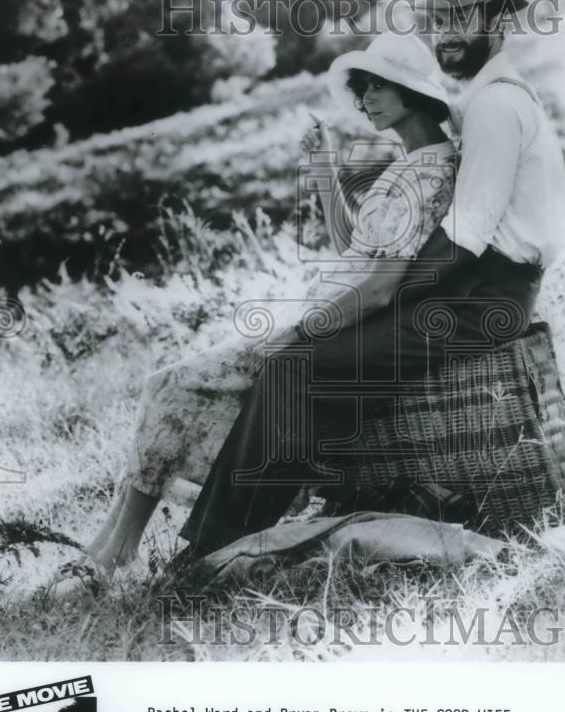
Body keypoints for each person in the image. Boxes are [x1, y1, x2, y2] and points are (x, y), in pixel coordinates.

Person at [176, 0, 565, 557]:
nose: (446, 34)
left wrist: (380, 299)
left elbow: (465, 236)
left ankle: (216, 550)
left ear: (496, 22)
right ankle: (230, 537)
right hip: (468, 288)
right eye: (438, 21)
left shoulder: (496, 105)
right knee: (308, 361)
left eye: (460, 18)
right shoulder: (483, 102)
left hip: (482, 296)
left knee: (296, 367)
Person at [86, 33, 457, 570]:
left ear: (412, 92)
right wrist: (326, 169)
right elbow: (354, 250)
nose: (365, 98)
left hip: (331, 324)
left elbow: (383, 284)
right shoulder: (412, 165)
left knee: (166, 385)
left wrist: (313, 325)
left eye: (379, 86)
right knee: (173, 389)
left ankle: (118, 548)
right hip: (324, 313)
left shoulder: (430, 172)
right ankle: (110, 543)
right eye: (363, 87)